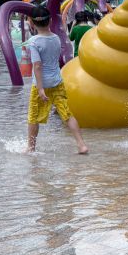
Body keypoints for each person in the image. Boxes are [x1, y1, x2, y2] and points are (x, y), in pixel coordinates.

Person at [25, 11, 88, 155]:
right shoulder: (56, 38)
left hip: (41, 84)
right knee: (67, 114)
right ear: (50, 21)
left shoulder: (33, 42)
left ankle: (31, 148)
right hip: (57, 82)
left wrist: (40, 88)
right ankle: (81, 145)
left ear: (32, 23)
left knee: (33, 117)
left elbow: (37, 66)